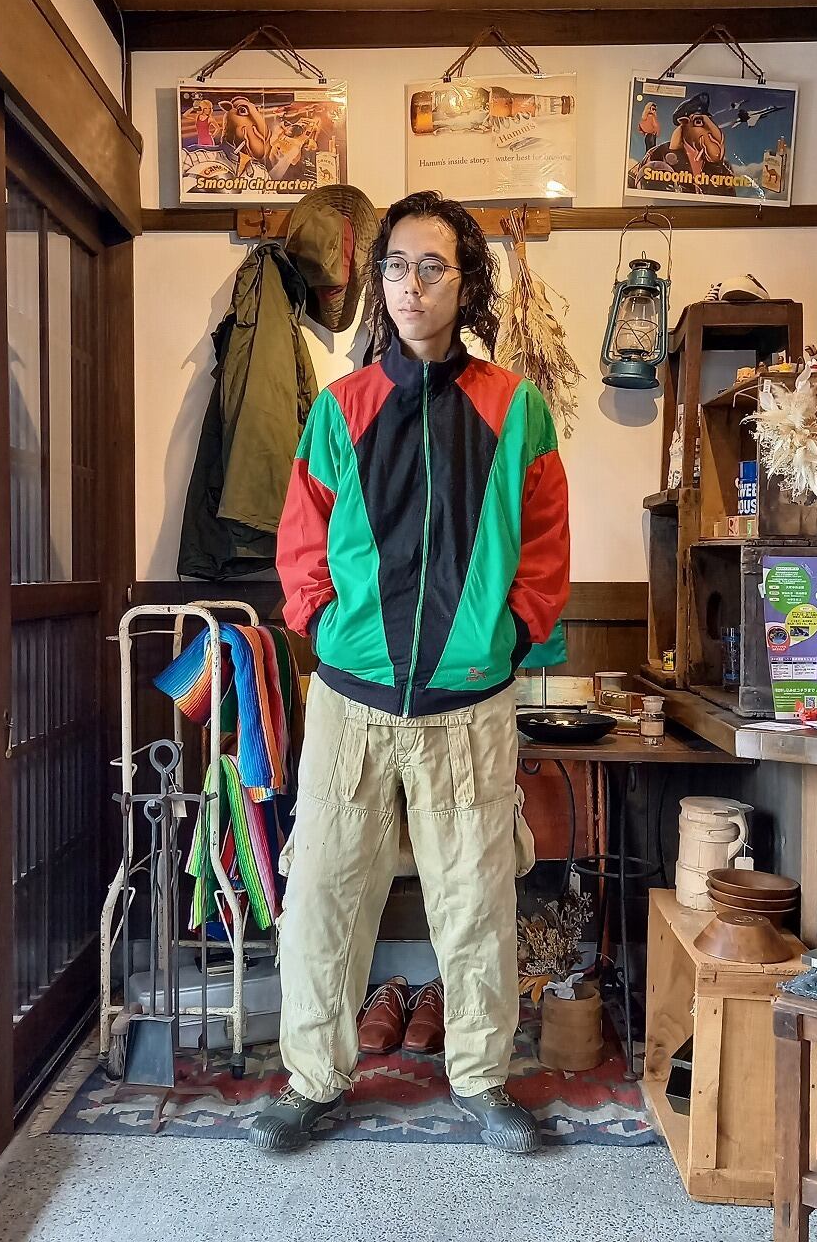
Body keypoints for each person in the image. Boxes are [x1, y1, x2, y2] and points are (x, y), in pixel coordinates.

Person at [251, 191, 570, 1154]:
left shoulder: (516, 408)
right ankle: (315, 1079)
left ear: (466, 282)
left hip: (469, 704)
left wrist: (508, 636)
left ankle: (480, 1078)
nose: (411, 284)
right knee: (324, 895)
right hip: (350, 702)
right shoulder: (339, 409)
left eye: (433, 266)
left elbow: (545, 542)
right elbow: (301, 541)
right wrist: (325, 628)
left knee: (476, 900)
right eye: (395, 265)